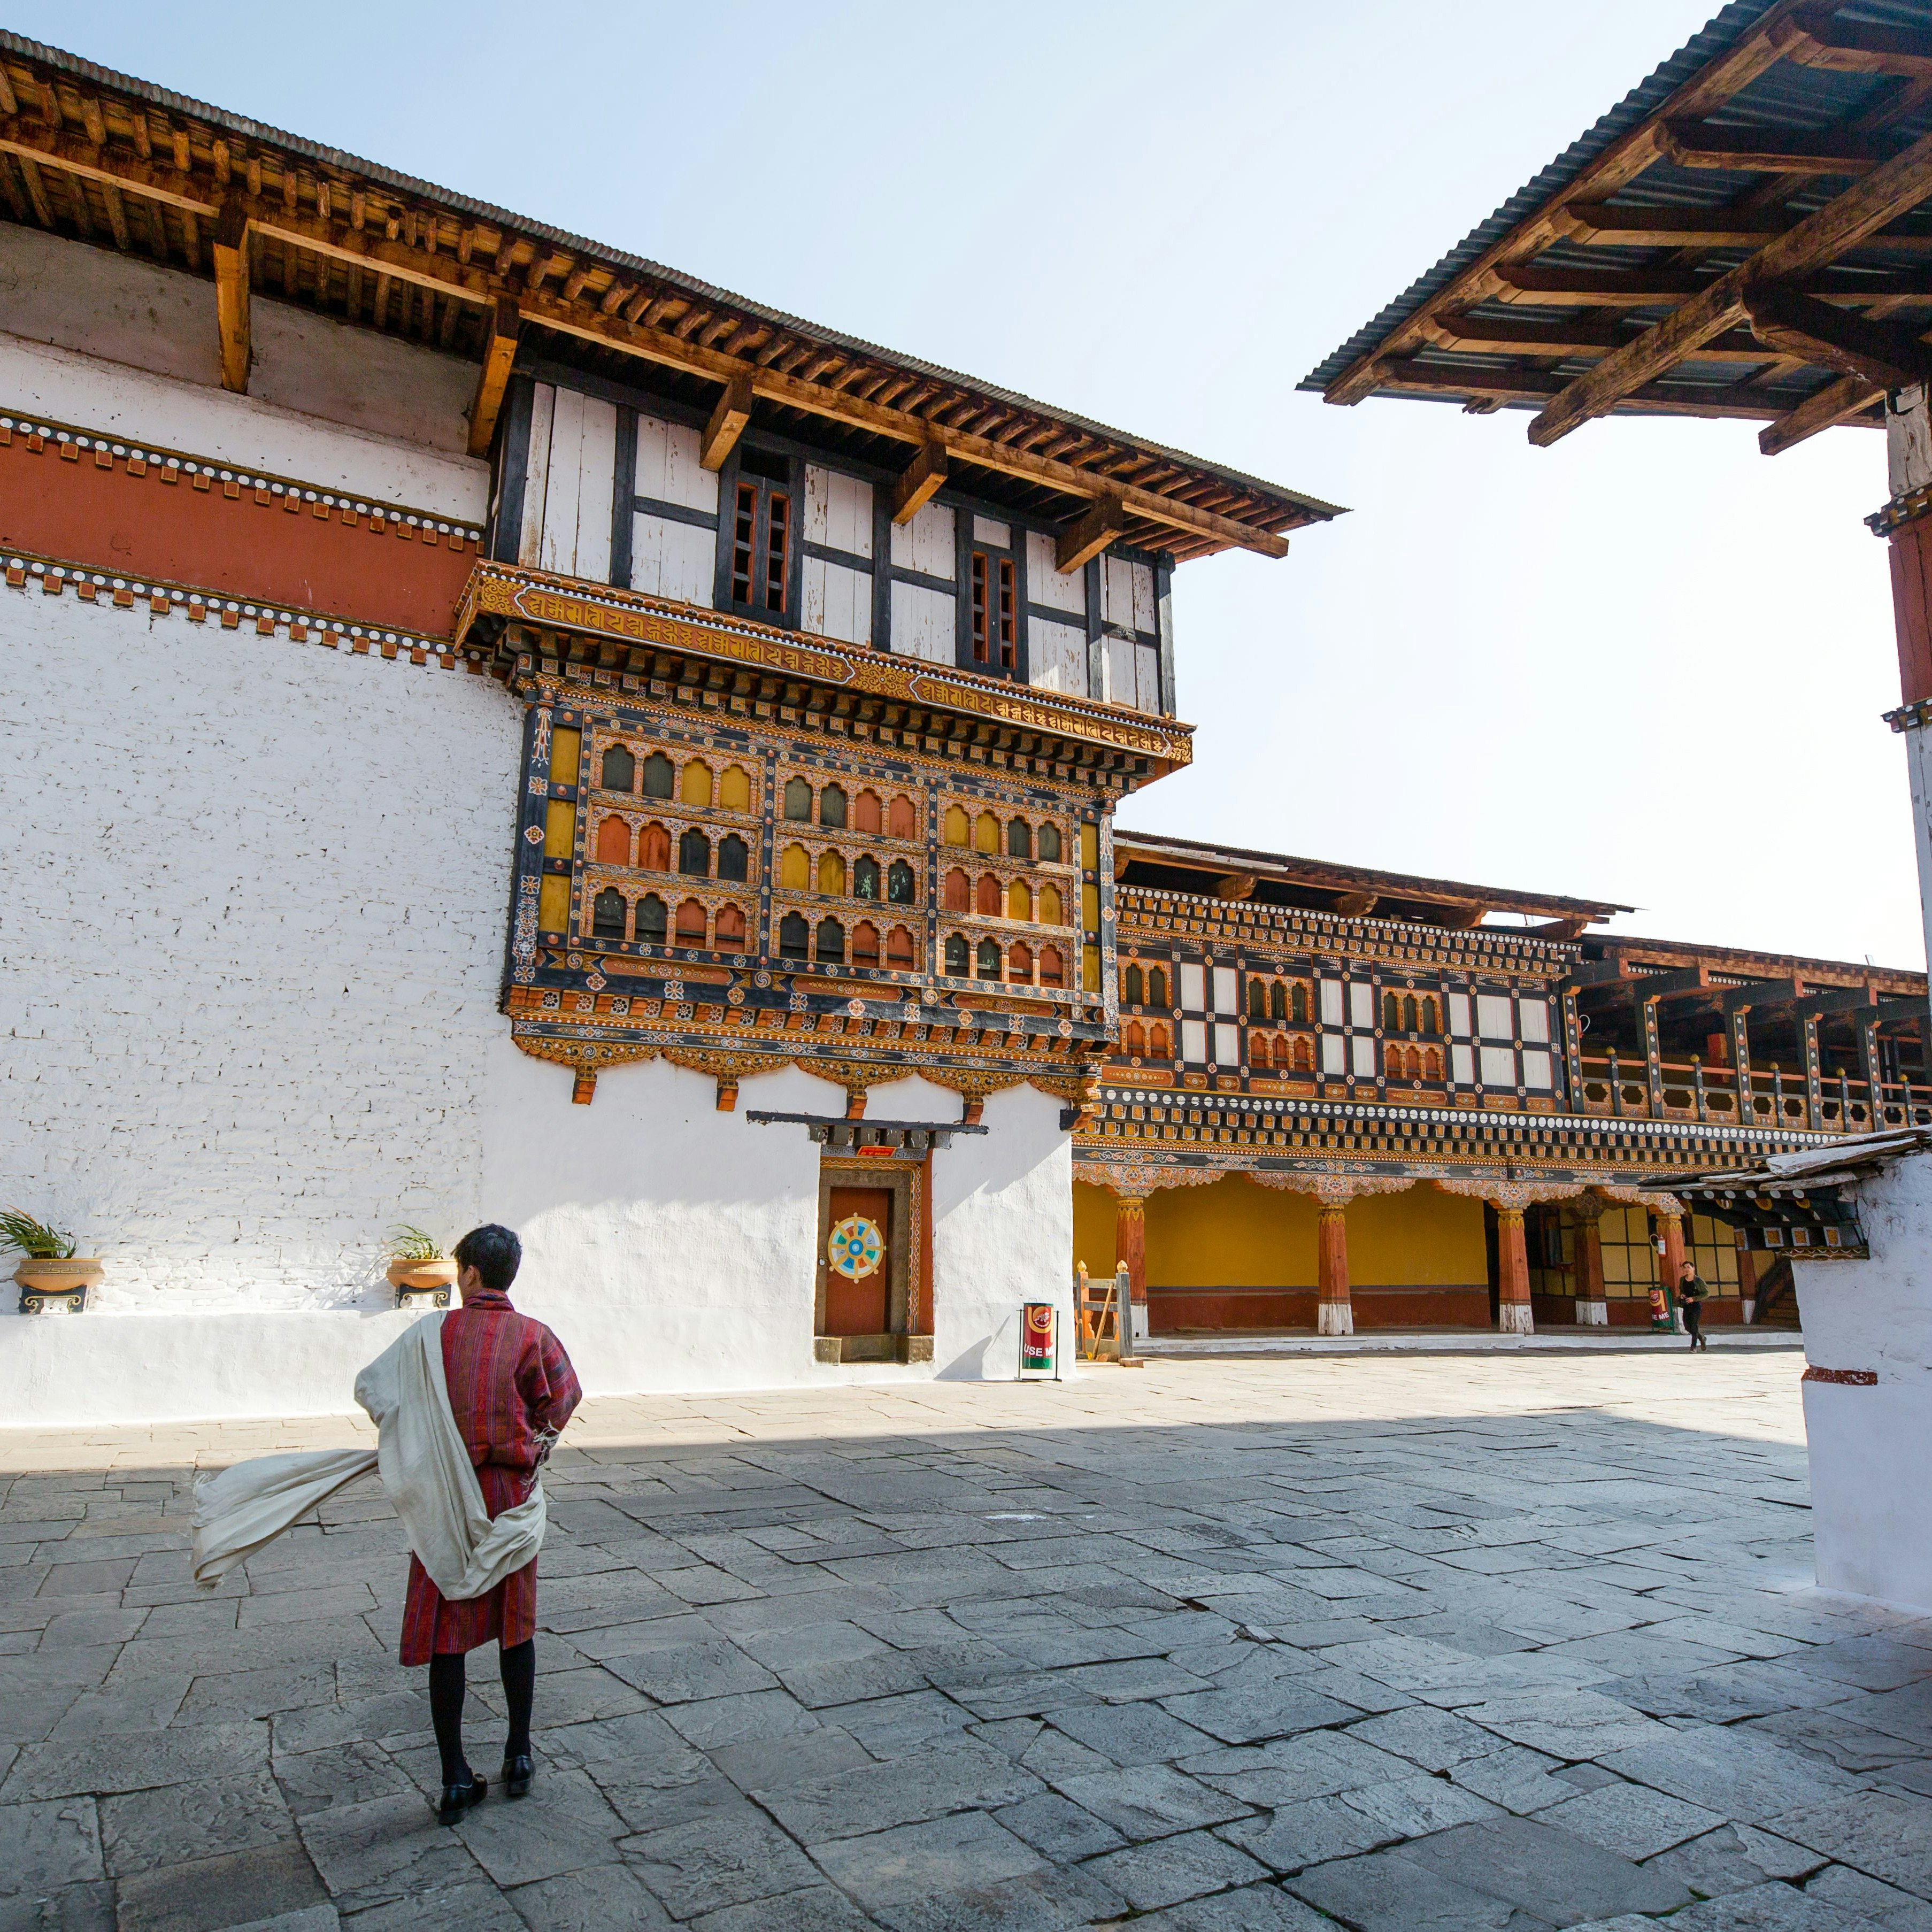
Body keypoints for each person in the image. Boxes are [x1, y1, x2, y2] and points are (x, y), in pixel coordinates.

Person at [402, 1224, 581, 1825]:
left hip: (446, 1497)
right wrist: (533, 1447)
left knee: (446, 1634)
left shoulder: (430, 1335)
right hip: (509, 1495)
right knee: (516, 1625)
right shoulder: (534, 1335)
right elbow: (564, 1397)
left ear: (470, 1272)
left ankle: (455, 1776)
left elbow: (388, 1397)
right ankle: (519, 1754)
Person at [1677, 1259, 1711, 1352]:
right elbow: (1682, 1290)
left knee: (1694, 1325)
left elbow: (1706, 1294)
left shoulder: (1699, 1281)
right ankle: (1701, 1337)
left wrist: (1694, 1299)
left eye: (1689, 1267)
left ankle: (1694, 1346)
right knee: (1687, 1326)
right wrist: (1682, 1295)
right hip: (1687, 1305)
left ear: (1693, 1268)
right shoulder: (1682, 1280)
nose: (1687, 1269)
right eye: (1685, 1268)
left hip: (1696, 1305)